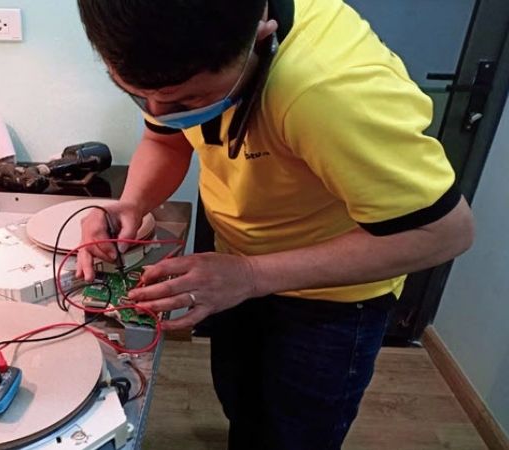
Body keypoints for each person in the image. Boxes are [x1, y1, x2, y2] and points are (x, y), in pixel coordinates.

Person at [74, 0, 475, 448]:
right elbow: (165, 140)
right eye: (137, 95)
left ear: (260, 36)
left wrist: (251, 274)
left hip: (330, 301)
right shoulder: (178, 48)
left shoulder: (330, 93)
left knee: (295, 435)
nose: (158, 111)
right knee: (243, 405)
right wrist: (133, 203)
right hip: (233, 273)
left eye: (189, 101)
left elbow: (445, 232)